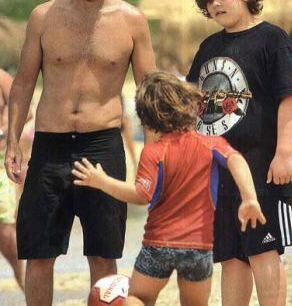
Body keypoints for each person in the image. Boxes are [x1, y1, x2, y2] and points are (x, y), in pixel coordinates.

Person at [4, 0, 156, 304]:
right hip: (50, 145)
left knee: (103, 253)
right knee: (39, 252)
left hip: (102, 145)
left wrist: (153, 156)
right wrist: (11, 142)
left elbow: (151, 94)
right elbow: (23, 84)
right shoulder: (44, 17)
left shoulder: (131, 21)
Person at [71, 70, 266, 306]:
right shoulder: (209, 143)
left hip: (158, 244)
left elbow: (142, 195)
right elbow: (236, 160)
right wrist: (249, 198)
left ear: (147, 118)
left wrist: (102, 181)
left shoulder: (153, 152)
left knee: (135, 298)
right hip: (199, 247)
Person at [186, 0, 292, 306]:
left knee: (263, 251)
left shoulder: (273, 39)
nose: (217, 3)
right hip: (220, 175)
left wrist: (284, 155)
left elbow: (290, 99)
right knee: (231, 258)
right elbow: (192, 104)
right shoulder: (208, 47)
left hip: (265, 171)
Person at [0, 69, 25, 291]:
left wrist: (5, 131)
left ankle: (26, 288)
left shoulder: (2, 79)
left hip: (0, 161)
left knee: (7, 234)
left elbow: (26, 112)